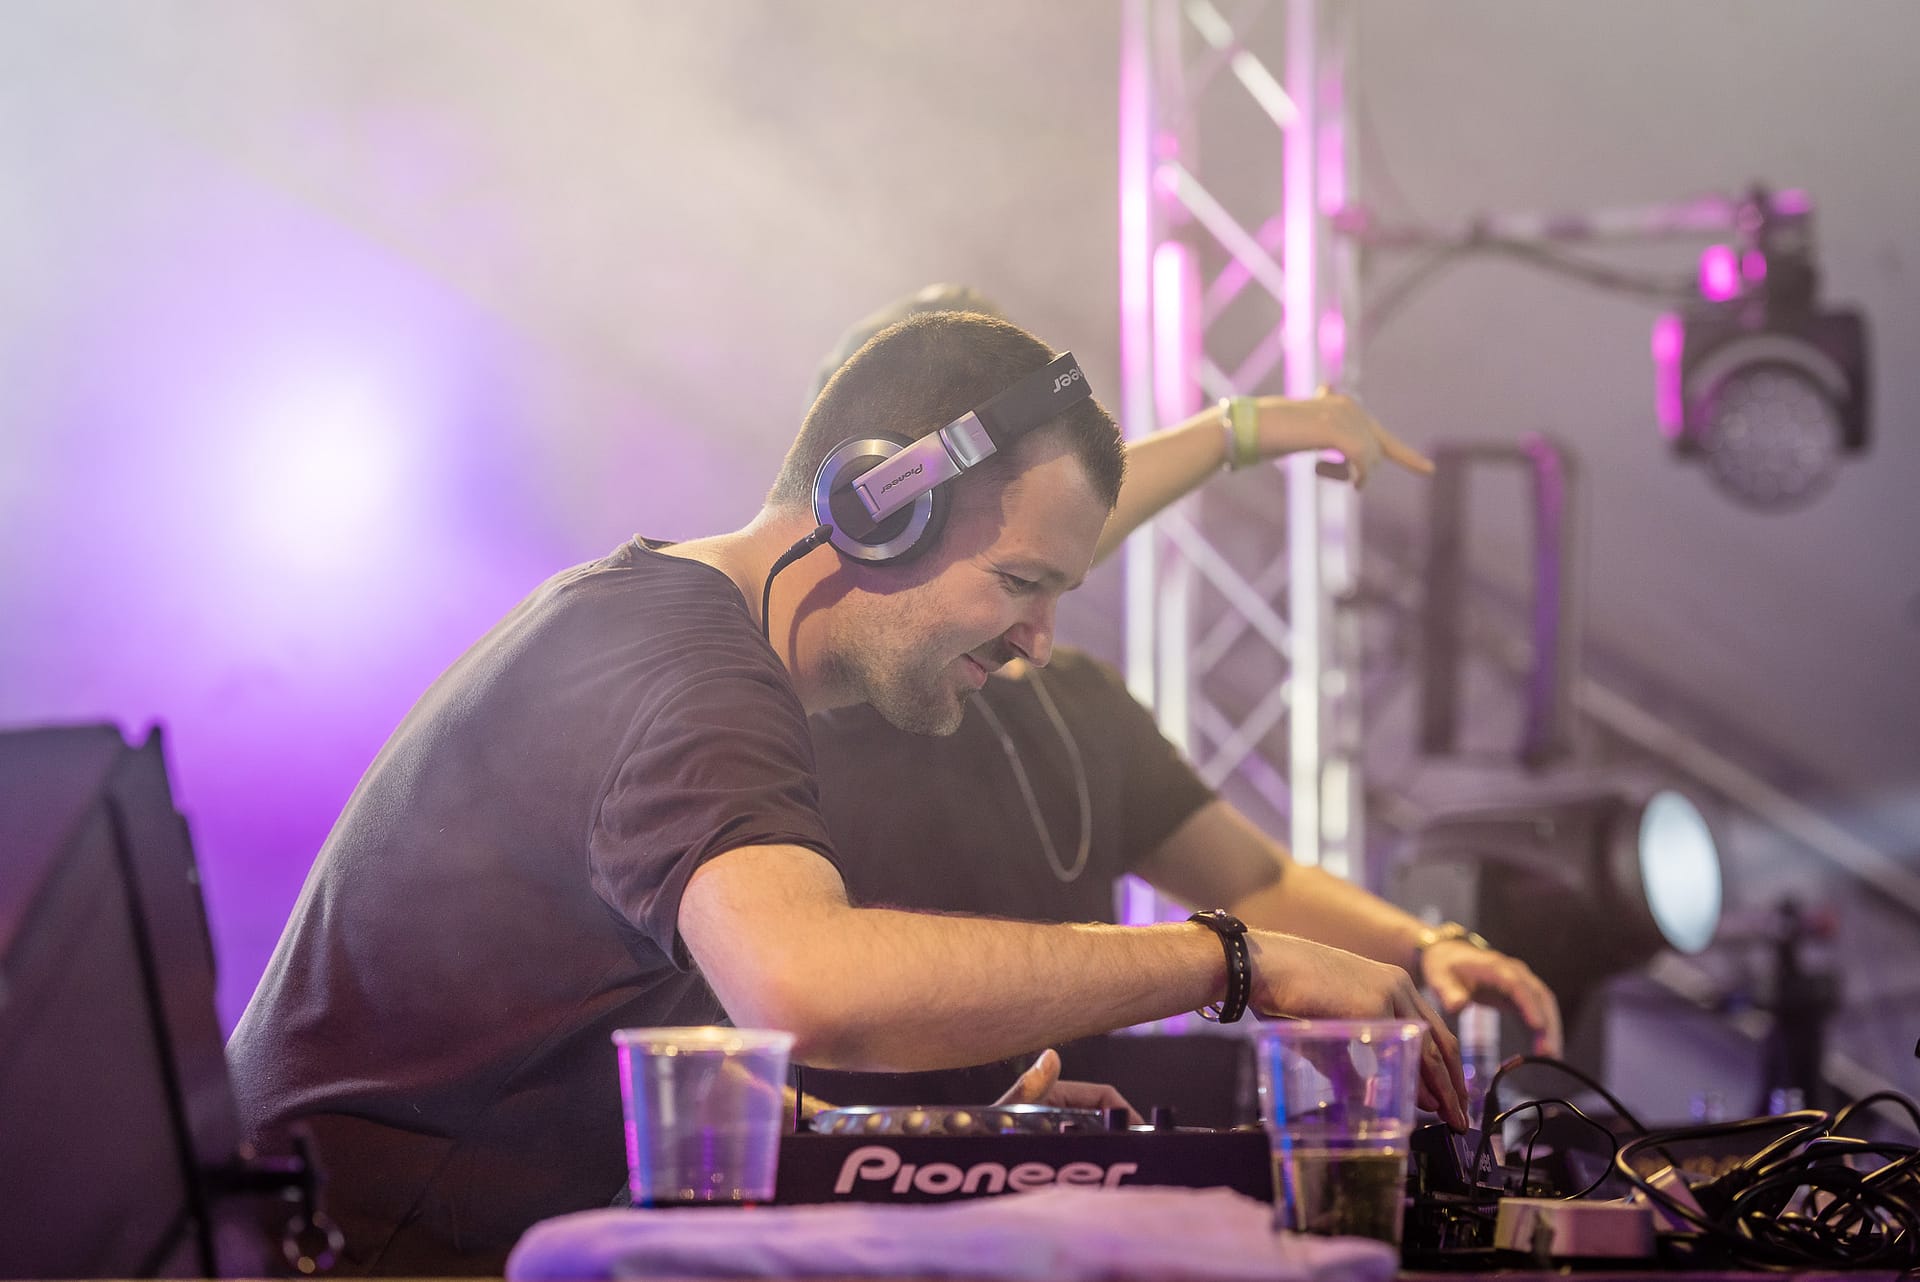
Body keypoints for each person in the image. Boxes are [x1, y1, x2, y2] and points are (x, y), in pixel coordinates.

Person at [227, 309, 1467, 1274]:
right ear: (881, 513)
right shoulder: (682, 669)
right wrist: (1229, 958)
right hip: (344, 1260)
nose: (1037, 642)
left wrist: (929, 1136)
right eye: (1022, 584)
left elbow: (620, 1045)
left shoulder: (691, 640)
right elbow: (807, 985)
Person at [802, 288, 1561, 1110]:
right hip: (838, 1175)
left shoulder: (1079, 701)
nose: (1037, 633)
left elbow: (1257, 882)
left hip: (1063, 1170)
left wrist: (1423, 948)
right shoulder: (795, 690)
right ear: (884, 522)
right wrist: (1236, 432)